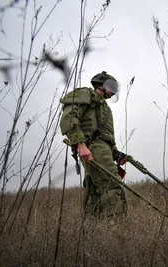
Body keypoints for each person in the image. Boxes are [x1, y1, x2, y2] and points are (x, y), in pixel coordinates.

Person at [59, 71, 128, 220]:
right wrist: (80, 144)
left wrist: (116, 154)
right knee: (112, 185)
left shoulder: (105, 108)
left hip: (101, 149)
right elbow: (69, 117)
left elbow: (106, 137)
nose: (112, 91)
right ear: (101, 84)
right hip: (92, 146)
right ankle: (118, 230)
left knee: (94, 192)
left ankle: (92, 232)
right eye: (111, 87)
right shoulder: (86, 94)